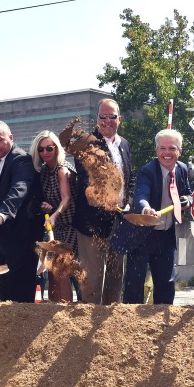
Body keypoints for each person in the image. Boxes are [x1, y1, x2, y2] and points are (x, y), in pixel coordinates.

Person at [0, 120, 43, 302]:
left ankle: (22, 326)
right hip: (3, 235)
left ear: (10, 138)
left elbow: (18, 190)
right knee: (4, 285)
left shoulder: (21, 159)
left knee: (20, 290)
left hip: (24, 232)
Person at [72, 98, 133, 305]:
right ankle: (87, 320)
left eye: (112, 116)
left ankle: (108, 322)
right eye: (103, 116)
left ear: (120, 119)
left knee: (116, 276)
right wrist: (104, 199)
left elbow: (129, 178)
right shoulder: (86, 142)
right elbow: (85, 179)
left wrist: (128, 203)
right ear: (96, 118)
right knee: (92, 278)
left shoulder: (124, 144)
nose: (107, 121)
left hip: (119, 220)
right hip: (92, 222)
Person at [121, 129, 192, 304]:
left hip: (166, 235)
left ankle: (163, 326)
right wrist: (146, 209)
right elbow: (140, 195)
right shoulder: (147, 171)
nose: (167, 153)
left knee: (166, 286)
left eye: (172, 148)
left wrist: (188, 200)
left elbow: (189, 193)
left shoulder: (183, 169)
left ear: (179, 151)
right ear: (156, 151)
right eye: (162, 148)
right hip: (142, 236)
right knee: (134, 286)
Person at [30, 130, 77, 302]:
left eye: (49, 148)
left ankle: (65, 308)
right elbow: (46, 197)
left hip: (70, 225)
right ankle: (54, 307)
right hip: (54, 227)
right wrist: (46, 205)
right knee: (52, 270)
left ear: (56, 149)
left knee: (61, 269)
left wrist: (55, 214)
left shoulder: (61, 169)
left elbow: (66, 198)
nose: (45, 153)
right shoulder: (43, 171)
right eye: (41, 150)